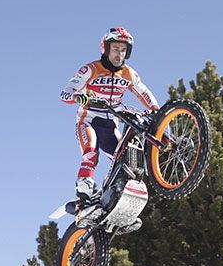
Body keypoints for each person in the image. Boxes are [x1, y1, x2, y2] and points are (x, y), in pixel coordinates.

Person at [60, 26, 160, 206]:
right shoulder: (90, 69)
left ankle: (118, 195)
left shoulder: (129, 73)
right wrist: (77, 96)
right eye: (115, 49)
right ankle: (83, 192)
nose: (119, 54)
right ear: (105, 49)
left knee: (126, 157)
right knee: (91, 151)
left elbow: (143, 92)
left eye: (123, 51)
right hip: (88, 120)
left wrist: (156, 110)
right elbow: (65, 93)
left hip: (111, 123)